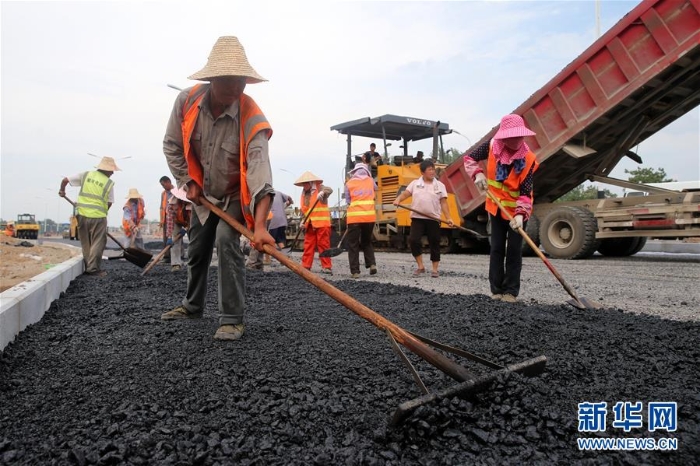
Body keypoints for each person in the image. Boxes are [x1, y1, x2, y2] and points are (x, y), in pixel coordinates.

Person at [160, 35, 276, 341]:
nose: (236, 89)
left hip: (236, 193)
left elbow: (259, 170)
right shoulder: (187, 103)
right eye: (228, 81)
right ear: (212, 79)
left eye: (241, 82)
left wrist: (261, 225)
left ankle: (231, 318)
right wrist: (189, 181)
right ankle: (192, 305)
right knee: (197, 249)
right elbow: (172, 145)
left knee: (226, 241)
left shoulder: (251, 116)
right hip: (202, 193)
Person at [463, 114, 538, 303]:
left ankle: (511, 292)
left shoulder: (527, 158)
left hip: (517, 211)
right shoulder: (491, 146)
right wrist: (477, 174)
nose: (516, 141)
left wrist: (520, 215)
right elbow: (469, 159)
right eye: (511, 137)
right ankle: (496, 290)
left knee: (514, 249)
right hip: (495, 208)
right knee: (496, 248)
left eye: (518, 137)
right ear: (503, 137)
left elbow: (526, 191)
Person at [58, 156, 119, 276]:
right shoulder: (109, 183)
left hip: (81, 214)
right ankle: (93, 269)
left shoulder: (86, 175)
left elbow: (65, 180)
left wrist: (62, 191)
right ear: (106, 170)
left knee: (86, 242)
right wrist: (102, 211)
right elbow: (109, 202)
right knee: (98, 242)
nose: (112, 173)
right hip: (98, 216)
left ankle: (88, 266)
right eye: (111, 170)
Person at [392, 159, 454, 278]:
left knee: (434, 242)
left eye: (433, 169)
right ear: (423, 172)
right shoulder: (415, 184)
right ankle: (420, 266)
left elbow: (444, 203)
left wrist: (449, 218)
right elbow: (406, 194)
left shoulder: (440, 186)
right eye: (429, 170)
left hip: (434, 218)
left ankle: (435, 270)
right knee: (414, 240)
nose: (432, 172)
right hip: (417, 218)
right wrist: (398, 199)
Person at [295, 171, 333, 274]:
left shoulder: (320, 188)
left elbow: (329, 190)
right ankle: (305, 266)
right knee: (308, 246)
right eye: (303, 183)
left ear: (311, 182)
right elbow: (304, 211)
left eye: (306, 183)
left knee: (323, 245)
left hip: (322, 224)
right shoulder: (303, 194)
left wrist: (323, 192)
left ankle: (327, 266)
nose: (304, 185)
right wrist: (302, 221)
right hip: (309, 224)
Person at [344, 163, 377, 278]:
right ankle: (372, 264)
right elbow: (374, 193)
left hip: (354, 218)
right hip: (369, 217)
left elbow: (348, 201)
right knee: (366, 241)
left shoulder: (349, 183)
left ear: (355, 172)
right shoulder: (371, 181)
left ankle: (355, 271)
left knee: (353, 244)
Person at [166, 187, 191, 272]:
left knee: (194, 240)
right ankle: (176, 264)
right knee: (174, 241)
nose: (175, 209)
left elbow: (192, 219)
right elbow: (170, 222)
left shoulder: (190, 204)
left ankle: (193, 262)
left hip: (189, 221)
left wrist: (186, 228)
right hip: (177, 221)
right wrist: (169, 237)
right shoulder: (170, 205)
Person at [159, 175, 175, 263]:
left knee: (175, 237)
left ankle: (178, 256)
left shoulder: (176, 192)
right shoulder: (163, 193)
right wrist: (161, 219)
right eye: (162, 185)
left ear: (168, 182)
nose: (163, 187)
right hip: (166, 217)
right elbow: (161, 207)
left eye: (164, 185)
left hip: (175, 217)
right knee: (166, 238)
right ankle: (167, 256)